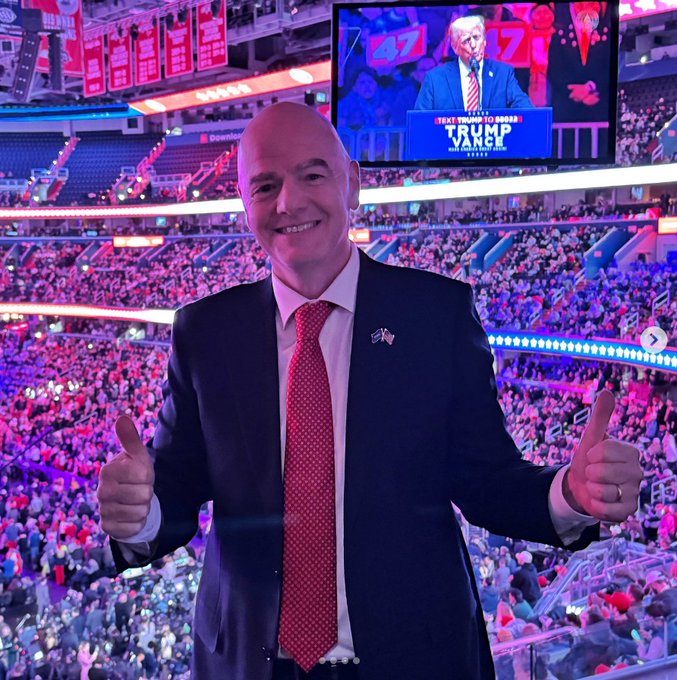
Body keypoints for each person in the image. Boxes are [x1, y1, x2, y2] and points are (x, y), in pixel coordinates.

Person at [97, 102, 643, 680]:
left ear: (351, 183)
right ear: (244, 206)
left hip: (415, 656)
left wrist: (572, 494)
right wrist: (141, 514)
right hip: (252, 660)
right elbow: (177, 486)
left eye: (312, 174)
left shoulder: (437, 315)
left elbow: (487, 481)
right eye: (265, 185)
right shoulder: (205, 332)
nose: (289, 202)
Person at [415, 15, 533, 111]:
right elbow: (420, 124)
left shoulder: (503, 74)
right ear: (455, 48)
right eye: (466, 40)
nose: (473, 45)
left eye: (477, 38)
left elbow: (527, 110)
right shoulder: (435, 78)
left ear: (485, 41)